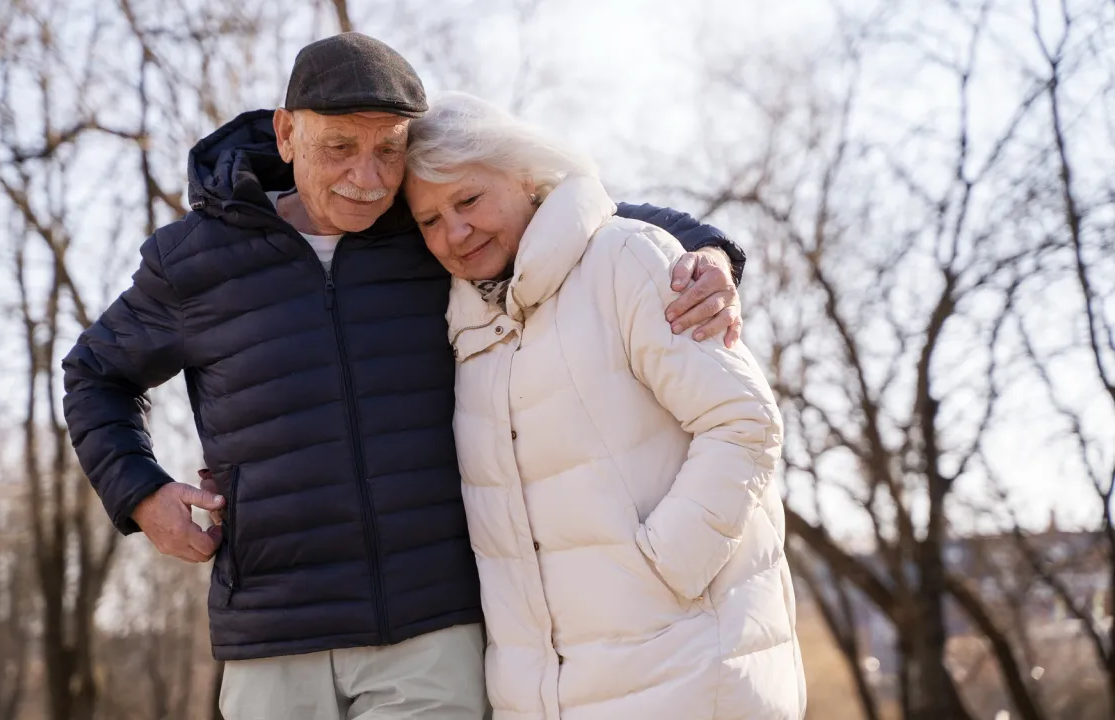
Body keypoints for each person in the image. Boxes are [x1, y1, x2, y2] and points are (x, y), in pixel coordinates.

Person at [62, 33, 747, 720]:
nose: (367, 178)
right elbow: (95, 375)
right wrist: (142, 493)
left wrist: (709, 257)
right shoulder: (195, 259)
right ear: (287, 133)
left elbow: (586, 219)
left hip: (432, 631)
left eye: (388, 150)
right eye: (340, 147)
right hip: (273, 631)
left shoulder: (432, 228)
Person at [402, 91, 805, 720]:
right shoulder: (466, 327)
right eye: (429, 220)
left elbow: (743, 421)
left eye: (469, 200)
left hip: (688, 674)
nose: (454, 232)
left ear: (526, 175)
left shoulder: (627, 258)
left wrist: (663, 571)